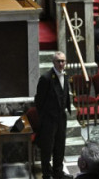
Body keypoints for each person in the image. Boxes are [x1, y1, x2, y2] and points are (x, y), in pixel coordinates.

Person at [34, 51, 71, 179]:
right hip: (49, 119)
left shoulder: (65, 76)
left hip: (61, 117)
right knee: (47, 147)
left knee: (60, 146)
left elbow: (64, 94)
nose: (61, 64)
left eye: (63, 61)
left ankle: (58, 172)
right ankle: (46, 174)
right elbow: (38, 101)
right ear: (53, 62)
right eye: (58, 61)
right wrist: (45, 117)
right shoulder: (46, 78)